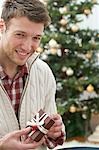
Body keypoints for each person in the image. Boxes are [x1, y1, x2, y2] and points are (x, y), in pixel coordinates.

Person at [0, 0, 65, 149]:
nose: (28, 47)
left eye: (36, 38)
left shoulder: (43, 72)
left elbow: (50, 137)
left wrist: (54, 132)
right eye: (20, 35)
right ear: (2, 26)